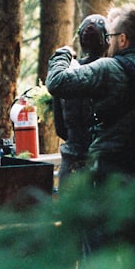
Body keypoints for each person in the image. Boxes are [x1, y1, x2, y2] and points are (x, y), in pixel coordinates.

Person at [46, 4, 135, 251]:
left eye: (112, 36)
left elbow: (57, 82)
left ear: (123, 39)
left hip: (110, 178)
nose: (109, 41)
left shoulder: (108, 69)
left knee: (99, 259)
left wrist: (61, 56)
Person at [52, 14, 109, 185]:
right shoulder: (115, 74)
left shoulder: (64, 75)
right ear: (107, 40)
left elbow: (60, 128)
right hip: (104, 166)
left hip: (71, 165)